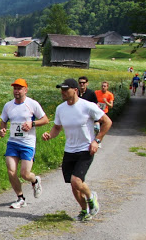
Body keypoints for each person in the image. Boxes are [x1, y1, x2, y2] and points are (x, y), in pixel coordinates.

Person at [42, 78, 112, 221]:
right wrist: (50, 135)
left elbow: (107, 122)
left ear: (75, 90)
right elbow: (57, 127)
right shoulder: (60, 109)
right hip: (69, 150)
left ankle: (91, 197)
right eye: (61, 89)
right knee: (73, 185)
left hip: (86, 149)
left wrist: (97, 141)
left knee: (76, 181)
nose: (62, 92)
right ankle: (84, 210)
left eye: (65, 89)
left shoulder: (87, 106)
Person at [0, 78, 49, 209]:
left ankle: (35, 180)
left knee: (25, 174)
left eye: (19, 89)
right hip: (13, 143)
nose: (16, 91)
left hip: (27, 143)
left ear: (25, 90)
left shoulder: (32, 104)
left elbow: (45, 120)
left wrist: (32, 123)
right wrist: (2, 129)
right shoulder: (8, 105)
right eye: (15, 88)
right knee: (11, 171)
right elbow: (3, 120)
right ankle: (20, 198)